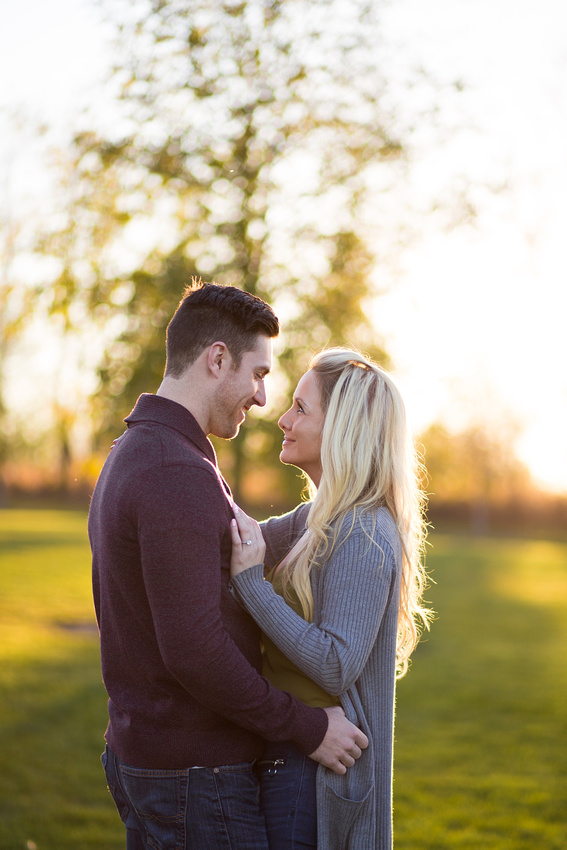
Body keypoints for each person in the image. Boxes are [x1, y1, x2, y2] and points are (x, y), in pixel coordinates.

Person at [89, 283, 368, 850]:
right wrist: (309, 728)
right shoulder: (174, 470)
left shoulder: (137, 452)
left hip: (159, 762)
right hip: (196, 776)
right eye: (259, 374)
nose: (263, 398)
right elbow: (195, 651)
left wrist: (351, 497)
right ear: (217, 359)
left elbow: (243, 546)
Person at [229, 348, 433, 850]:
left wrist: (254, 586)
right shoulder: (317, 518)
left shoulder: (363, 531)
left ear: (341, 427)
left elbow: (336, 662)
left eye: (301, 408)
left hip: (315, 777)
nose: (282, 419)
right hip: (290, 756)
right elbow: (238, 535)